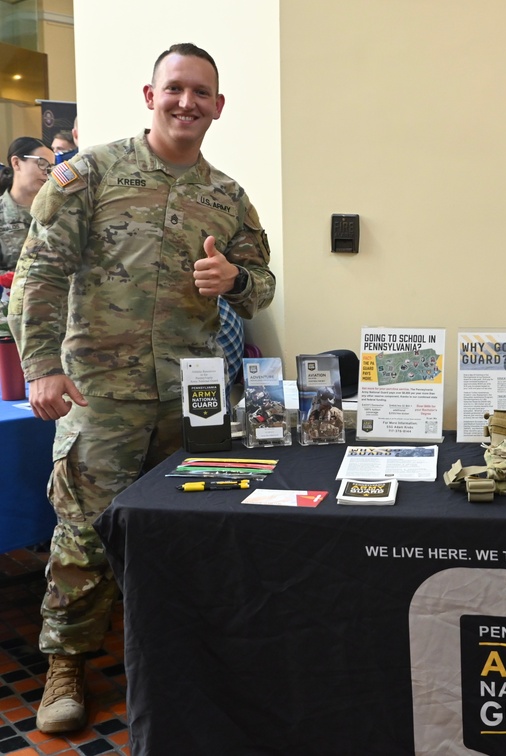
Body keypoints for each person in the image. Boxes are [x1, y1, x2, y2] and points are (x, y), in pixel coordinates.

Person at [8, 42, 276, 734]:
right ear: (149, 95)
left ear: (219, 107)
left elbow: (262, 282)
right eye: (174, 88)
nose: (187, 102)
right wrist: (41, 366)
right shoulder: (88, 175)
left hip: (194, 398)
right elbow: (39, 275)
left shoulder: (227, 197)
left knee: (182, 528)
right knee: (84, 531)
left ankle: (173, 653)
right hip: (103, 394)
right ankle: (66, 664)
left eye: (201, 93)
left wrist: (236, 283)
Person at [0, 137, 55, 273]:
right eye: (41, 163)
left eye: (51, 167)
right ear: (16, 163)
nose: (46, 172)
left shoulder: (57, 211)